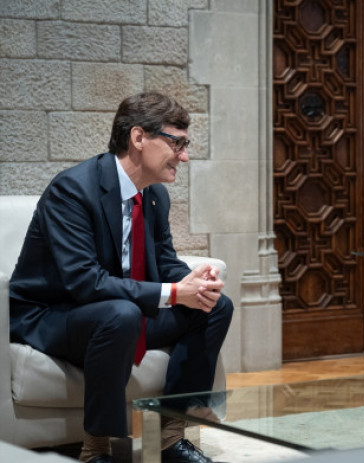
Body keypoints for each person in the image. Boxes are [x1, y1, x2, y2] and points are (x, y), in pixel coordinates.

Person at [9, 92, 234, 463]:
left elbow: (163, 260)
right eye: (176, 143)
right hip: (53, 316)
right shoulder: (72, 190)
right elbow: (85, 283)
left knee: (216, 306)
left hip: (115, 314)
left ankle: (170, 437)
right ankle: (96, 448)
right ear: (139, 138)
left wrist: (194, 281)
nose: (185, 156)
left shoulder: (155, 196)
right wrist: (176, 292)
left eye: (186, 144)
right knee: (121, 314)